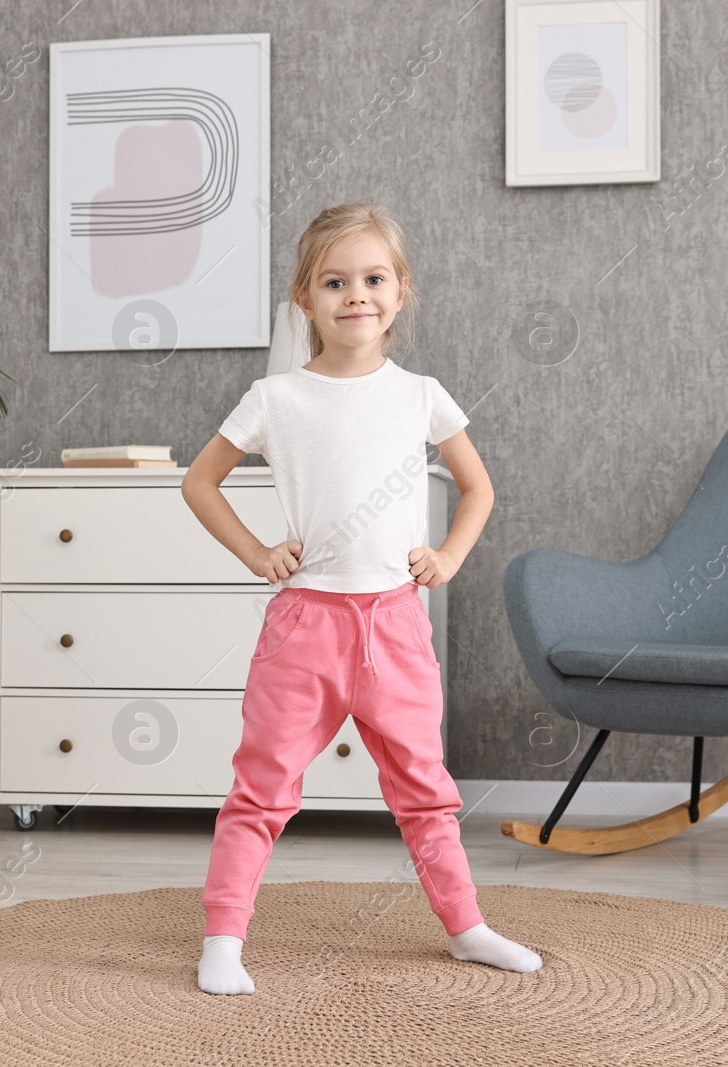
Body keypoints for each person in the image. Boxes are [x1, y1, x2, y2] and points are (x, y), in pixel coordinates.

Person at [179, 200, 543, 996]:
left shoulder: (421, 395)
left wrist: (447, 554)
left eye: (374, 278)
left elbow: (478, 487)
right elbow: (198, 482)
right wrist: (256, 552)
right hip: (304, 625)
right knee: (261, 785)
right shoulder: (275, 397)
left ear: (400, 292)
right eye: (335, 281)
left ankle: (466, 927)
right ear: (304, 298)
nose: (357, 295)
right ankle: (223, 937)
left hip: (396, 623)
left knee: (425, 788)